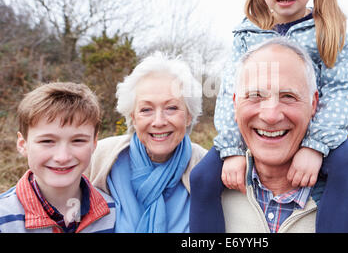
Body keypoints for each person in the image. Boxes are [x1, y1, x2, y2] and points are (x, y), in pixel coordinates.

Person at [190, 0, 348, 233]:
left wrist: (316, 146)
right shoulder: (247, 34)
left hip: (315, 130)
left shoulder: (328, 31)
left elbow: (341, 91)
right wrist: (232, 148)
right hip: (259, 131)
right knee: (202, 178)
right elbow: (232, 93)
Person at [221, 38, 348, 232]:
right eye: (255, 95)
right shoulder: (212, 199)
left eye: (288, 96)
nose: (271, 116)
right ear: (234, 104)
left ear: (314, 105)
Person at [86, 52, 207, 233]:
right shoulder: (99, 157)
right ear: (133, 117)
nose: (158, 121)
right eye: (146, 109)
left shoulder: (206, 166)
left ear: (189, 116)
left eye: (171, 108)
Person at [0, 82, 116, 233]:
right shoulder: (4, 218)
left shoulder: (113, 212)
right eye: (47, 141)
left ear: (94, 143)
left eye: (78, 141)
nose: (63, 157)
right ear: (23, 144)